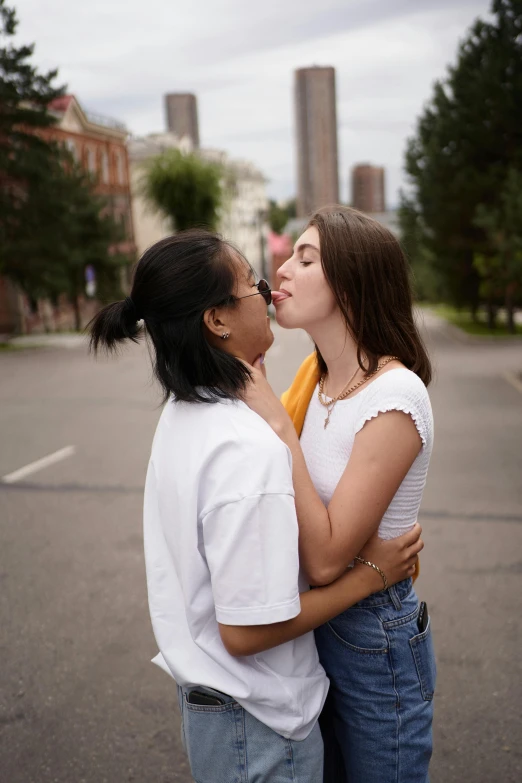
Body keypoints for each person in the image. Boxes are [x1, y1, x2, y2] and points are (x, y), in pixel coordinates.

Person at [88, 229, 423, 783]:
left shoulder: (185, 413)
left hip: (219, 705)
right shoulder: (247, 447)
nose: (269, 289)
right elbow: (244, 632)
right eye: (251, 285)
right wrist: (368, 579)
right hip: (258, 723)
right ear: (216, 319)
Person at [242, 206, 436, 783]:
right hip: (313, 630)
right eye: (289, 254)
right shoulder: (316, 378)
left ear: (353, 283)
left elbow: (327, 559)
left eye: (306, 259)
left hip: (375, 638)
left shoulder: (395, 394)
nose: (282, 269)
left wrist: (278, 422)